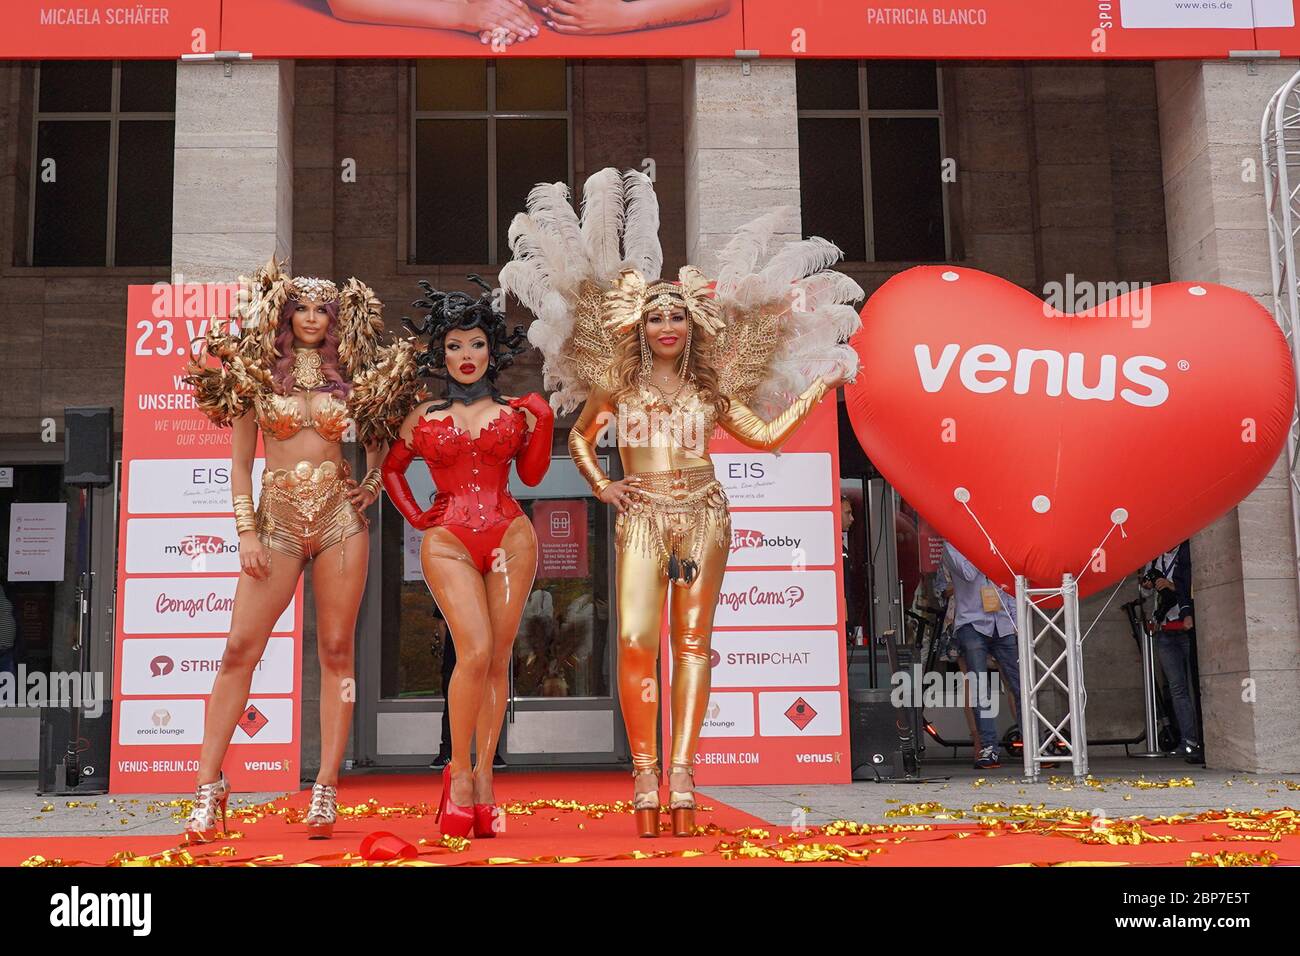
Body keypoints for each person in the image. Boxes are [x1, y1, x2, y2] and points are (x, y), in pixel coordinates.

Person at [500, 168, 861, 836]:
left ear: (693, 326)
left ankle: (685, 777)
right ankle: (644, 777)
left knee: (694, 643)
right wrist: (605, 486)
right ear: (640, 325)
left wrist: (821, 389)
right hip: (640, 518)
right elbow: (579, 440)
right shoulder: (616, 383)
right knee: (637, 640)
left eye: (676, 315)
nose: (666, 324)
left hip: (704, 516)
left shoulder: (711, 390)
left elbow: (765, 434)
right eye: (656, 315)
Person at [181, 261, 392, 841]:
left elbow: (380, 443)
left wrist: (370, 485)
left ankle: (325, 786)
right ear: (284, 316)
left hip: (338, 523)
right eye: (300, 308)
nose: (310, 318)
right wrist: (245, 532)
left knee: (336, 649)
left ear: (334, 320)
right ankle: (207, 786)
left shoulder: (354, 376)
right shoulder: (254, 377)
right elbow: (241, 464)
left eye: (321, 309)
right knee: (237, 650)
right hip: (273, 524)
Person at [379, 277, 553, 839]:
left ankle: (485, 781)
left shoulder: (518, 413)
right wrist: (414, 515)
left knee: (498, 659)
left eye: (476, 343)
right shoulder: (422, 416)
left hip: (511, 537)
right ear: (439, 351)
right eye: (454, 345)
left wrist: (544, 422)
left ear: (493, 348)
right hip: (448, 538)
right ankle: (457, 775)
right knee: (472, 650)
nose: (466, 356)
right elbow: (391, 469)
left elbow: (530, 476)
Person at [940, 542, 1022, 770]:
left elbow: (1010, 586)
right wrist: (983, 549)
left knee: (1020, 684)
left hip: (1003, 623)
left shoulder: (1000, 543)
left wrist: (1017, 623)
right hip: (972, 623)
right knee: (979, 686)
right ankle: (988, 746)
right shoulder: (952, 546)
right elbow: (967, 572)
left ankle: (1034, 744)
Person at [1140, 540, 1203, 764]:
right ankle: (1187, 740)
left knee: (1195, 686)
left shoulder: (1188, 553)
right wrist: (1149, 585)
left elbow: (1194, 586)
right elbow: (1145, 594)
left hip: (1185, 627)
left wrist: (1170, 585)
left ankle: (1200, 741)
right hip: (1164, 629)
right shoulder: (1155, 558)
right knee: (1177, 689)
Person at [430, 605, 507, 772]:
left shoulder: (454, 584)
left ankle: (449, 753)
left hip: (457, 653)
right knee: (482, 699)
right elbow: (442, 623)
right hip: (465, 653)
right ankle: (489, 754)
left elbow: (442, 623)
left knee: (454, 703)